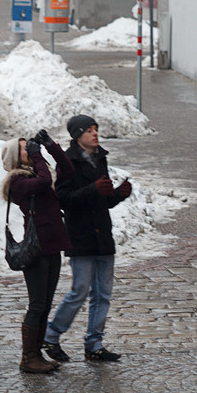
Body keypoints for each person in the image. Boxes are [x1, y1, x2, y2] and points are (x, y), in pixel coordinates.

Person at [41, 115, 132, 363]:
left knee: (103, 293)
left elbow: (102, 200)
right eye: (89, 130)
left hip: (103, 235)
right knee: (79, 291)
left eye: (96, 129)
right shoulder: (68, 162)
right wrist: (93, 190)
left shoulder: (100, 157)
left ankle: (94, 343)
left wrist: (118, 195)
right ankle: (51, 335)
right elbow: (64, 200)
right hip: (80, 236)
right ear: (77, 136)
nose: (95, 134)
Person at [1, 133, 74, 374]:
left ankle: (37, 354)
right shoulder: (18, 183)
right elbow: (44, 182)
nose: (30, 151)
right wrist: (37, 155)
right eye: (24, 149)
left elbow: (67, 170)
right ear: (16, 158)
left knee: (45, 305)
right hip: (37, 249)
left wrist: (50, 146)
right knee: (37, 304)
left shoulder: (36, 174)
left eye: (29, 147)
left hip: (51, 245)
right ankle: (28, 357)